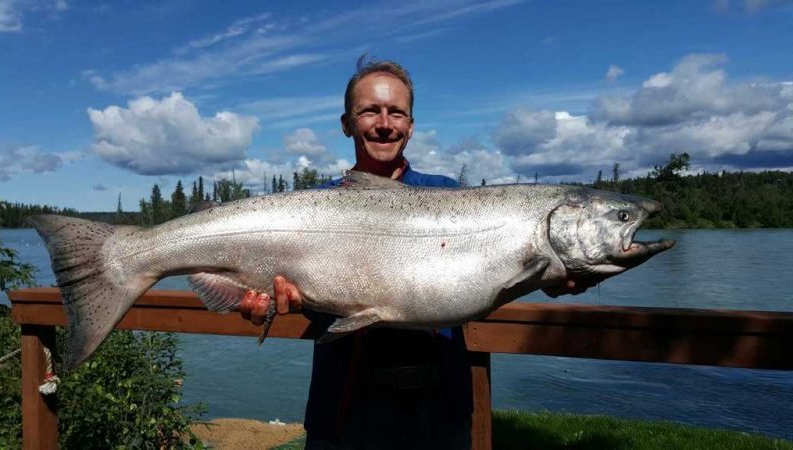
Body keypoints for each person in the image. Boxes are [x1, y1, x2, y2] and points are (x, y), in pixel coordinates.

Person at [238, 57, 593, 449]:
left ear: (410, 125)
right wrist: (266, 303)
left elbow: (507, 267)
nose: (385, 123)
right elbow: (290, 290)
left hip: (438, 414)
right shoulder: (309, 206)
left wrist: (555, 280)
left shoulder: (452, 198)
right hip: (342, 412)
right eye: (369, 111)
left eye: (396, 113)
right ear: (346, 123)